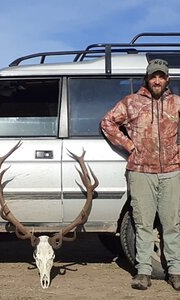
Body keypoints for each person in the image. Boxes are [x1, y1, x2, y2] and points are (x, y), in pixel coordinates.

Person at [101, 58, 180, 291]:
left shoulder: (176, 103)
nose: (157, 80)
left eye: (161, 76)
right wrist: (128, 145)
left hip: (172, 172)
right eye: (153, 76)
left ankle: (175, 271)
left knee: (172, 224)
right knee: (143, 224)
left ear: (167, 80)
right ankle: (143, 272)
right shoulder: (131, 102)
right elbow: (107, 122)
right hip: (141, 172)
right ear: (147, 78)